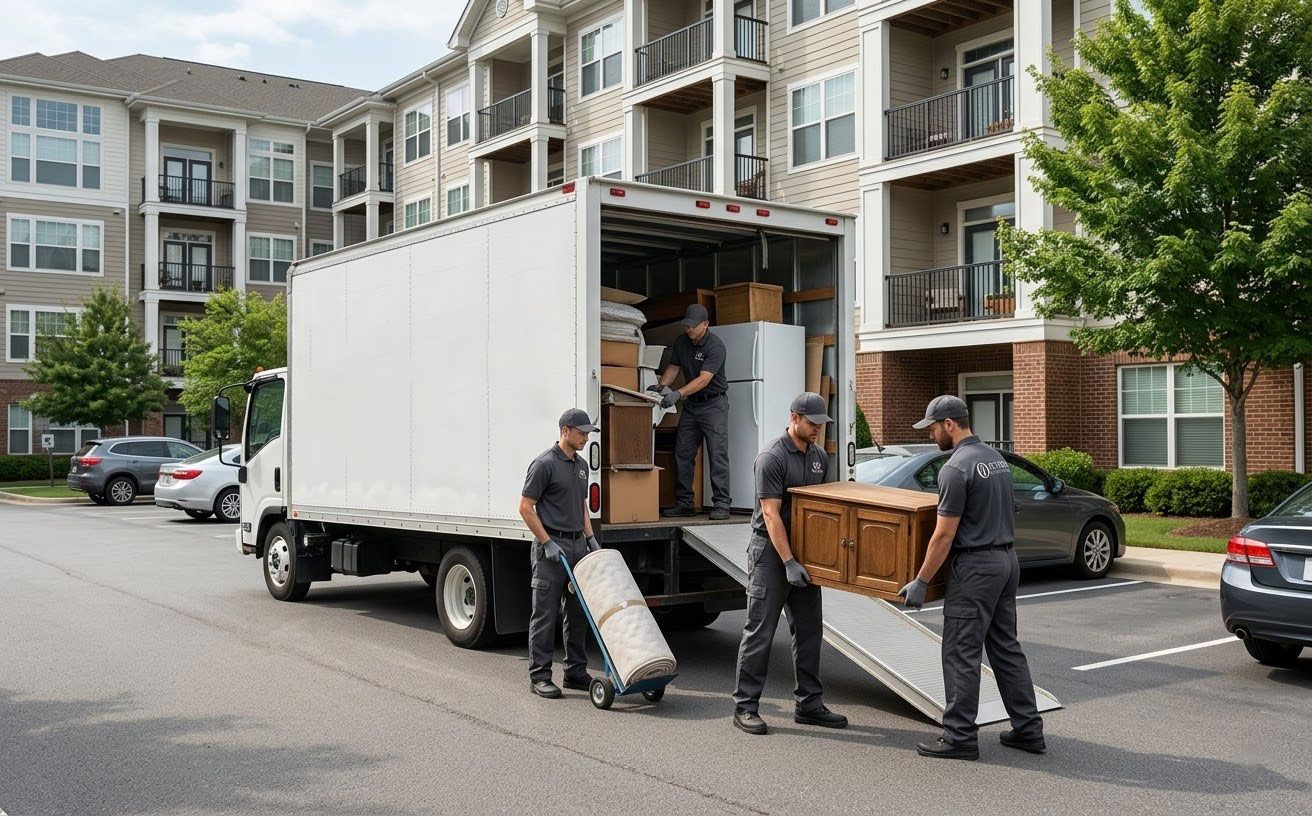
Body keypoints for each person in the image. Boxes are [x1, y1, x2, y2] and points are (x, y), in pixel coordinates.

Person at [898, 395, 1046, 760]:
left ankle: (960, 737)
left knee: (961, 653)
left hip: (976, 568)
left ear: (949, 424)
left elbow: (944, 533)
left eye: (932, 428)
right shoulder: (995, 459)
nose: (931, 434)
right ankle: (1028, 730)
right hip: (1006, 561)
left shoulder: (955, 468)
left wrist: (921, 579)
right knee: (1006, 649)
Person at [731, 393, 848, 735]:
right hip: (771, 554)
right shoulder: (772, 457)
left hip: (805, 556)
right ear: (794, 417)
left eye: (821, 425)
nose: (817, 430)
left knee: (810, 631)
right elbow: (770, 513)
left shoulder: (817, 457)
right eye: (812, 424)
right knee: (760, 631)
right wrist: (788, 561)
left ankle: (809, 704)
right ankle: (746, 706)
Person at [518, 408, 601, 699]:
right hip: (552, 549)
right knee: (545, 614)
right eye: (581, 433)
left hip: (578, 546)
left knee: (578, 613)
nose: (585, 438)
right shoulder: (544, 464)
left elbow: (582, 506)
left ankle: (575, 672)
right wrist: (547, 542)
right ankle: (539, 676)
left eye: (588, 434)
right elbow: (525, 507)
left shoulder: (581, 465)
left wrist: (590, 539)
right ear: (565, 430)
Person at [649, 303, 731, 521]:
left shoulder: (716, 346)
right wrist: (661, 387)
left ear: (705, 324)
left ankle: (722, 503)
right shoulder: (681, 342)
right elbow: (673, 368)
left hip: (714, 405)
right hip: (692, 405)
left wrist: (677, 394)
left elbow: (704, 379)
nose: (689, 329)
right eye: (686, 325)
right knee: (682, 452)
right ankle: (685, 503)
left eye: (693, 326)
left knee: (717, 453)